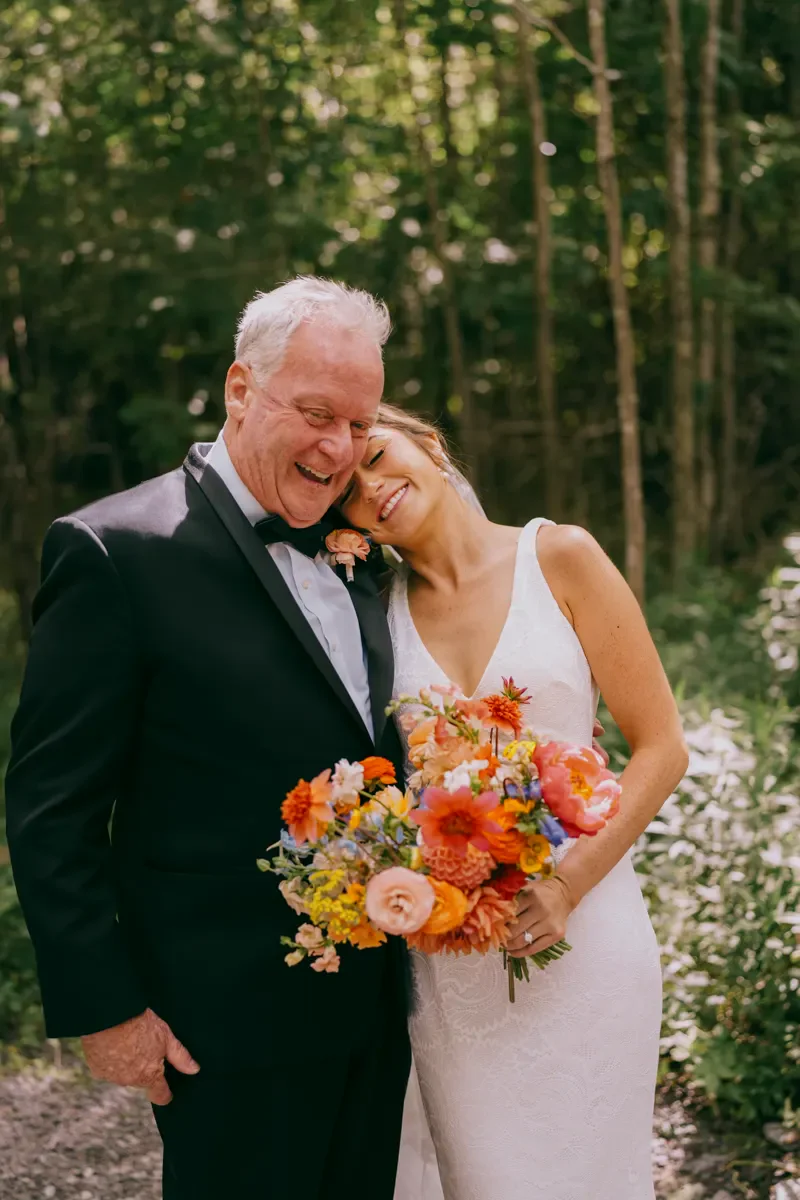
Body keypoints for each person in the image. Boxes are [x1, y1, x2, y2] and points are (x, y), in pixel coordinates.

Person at [4, 278, 412, 1199]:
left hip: (383, 1015)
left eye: (359, 424)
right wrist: (106, 1011)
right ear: (240, 389)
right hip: (223, 1031)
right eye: (315, 414)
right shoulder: (113, 552)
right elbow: (50, 805)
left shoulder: (368, 552)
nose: (338, 448)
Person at [339, 406, 689, 1200]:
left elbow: (663, 746)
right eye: (349, 491)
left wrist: (568, 884)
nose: (373, 489)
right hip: (452, 967)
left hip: (590, 934)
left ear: (427, 443)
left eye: (379, 456)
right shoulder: (372, 617)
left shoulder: (559, 555)